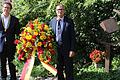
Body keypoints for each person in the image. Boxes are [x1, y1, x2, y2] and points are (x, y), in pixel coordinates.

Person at [49, 3, 76, 80]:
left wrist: (72, 49)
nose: (60, 11)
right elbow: (49, 36)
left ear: (64, 11)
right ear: (56, 11)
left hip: (67, 49)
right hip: (56, 49)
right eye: (58, 9)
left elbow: (73, 36)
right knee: (59, 69)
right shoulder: (52, 21)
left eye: (61, 9)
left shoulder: (69, 21)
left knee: (69, 69)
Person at [0, 2, 20, 80]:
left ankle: (13, 77)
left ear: (10, 9)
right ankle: (3, 77)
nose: (6, 9)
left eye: (8, 8)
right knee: (2, 63)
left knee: (12, 63)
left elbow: (18, 33)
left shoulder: (15, 19)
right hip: (1, 44)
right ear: (2, 8)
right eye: (5, 7)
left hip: (11, 44)